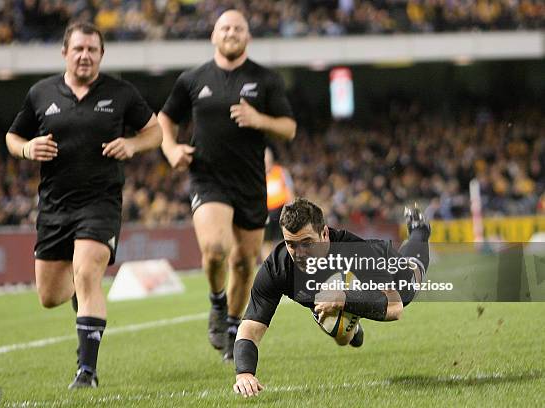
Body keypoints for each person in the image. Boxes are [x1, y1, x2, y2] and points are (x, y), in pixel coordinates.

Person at [5, 22, 162, 389]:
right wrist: (28, 148)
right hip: (55, 207)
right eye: (78, 49)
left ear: (101, 55)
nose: (85, 55)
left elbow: (154, 131)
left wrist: (133, 145)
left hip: (101, 202)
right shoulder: (41, 93)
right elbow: (12, 137)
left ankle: (86, 372)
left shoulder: (121, 93)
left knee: (88, 272)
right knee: (48, 296)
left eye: (92, 49)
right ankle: (79, 291)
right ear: (64, 52)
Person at [158, 9, 297, 362]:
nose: (231, 32)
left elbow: (288, 128)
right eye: (225, 27)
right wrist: (171, 148)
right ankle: (217, 304)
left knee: (244, 263)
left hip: (250, 182)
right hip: (207, 178)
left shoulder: (265, 80)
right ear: (213, 35)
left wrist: (259, 119)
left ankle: (234, 325)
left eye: (238, 28)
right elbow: (166, 118)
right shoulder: (192, 79)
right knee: (217, 249)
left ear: (247, 36)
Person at [232, 198, 431, 397]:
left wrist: (345, 299)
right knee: (337, 329)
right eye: (291, 244)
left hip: (382, 278)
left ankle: (419, 229)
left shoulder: (356, 252)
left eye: (307, 243)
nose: (300, 253)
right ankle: (354, 330)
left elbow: (395, 308)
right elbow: (251, 326)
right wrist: (244, 372)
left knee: (410, 281)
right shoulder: (277, 267)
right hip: (335, 297)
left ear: (325, 234)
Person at [262, 146, 294, 260]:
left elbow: (289, 191)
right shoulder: (258, 175)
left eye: (268, 158)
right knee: (266, 242)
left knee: (282, 240)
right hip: (265, 212)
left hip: (281, 211)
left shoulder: (281, 172)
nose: (267, 161)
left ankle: (283, 263)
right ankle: (268, 266)